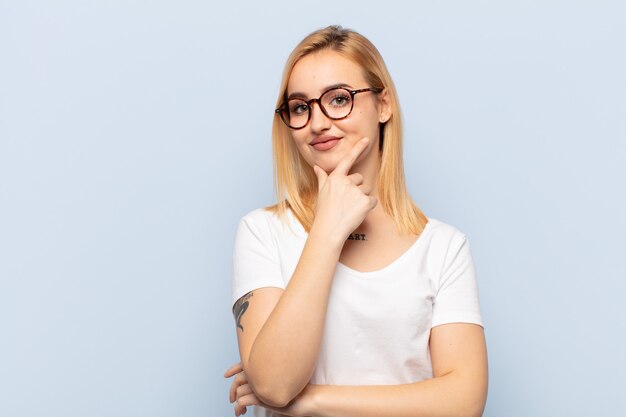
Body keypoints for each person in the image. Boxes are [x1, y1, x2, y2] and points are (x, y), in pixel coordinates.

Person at [223, 25, 488, 417]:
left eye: (339, 99)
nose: (318, 122)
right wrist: (327, 230)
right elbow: (276, 385)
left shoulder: (444, 247)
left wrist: (310, 401)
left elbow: (464, 402)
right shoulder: (262, 232)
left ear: (383, 105)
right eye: (300, 107)